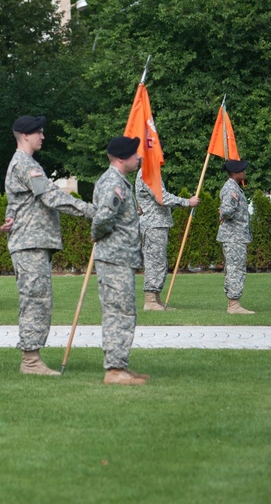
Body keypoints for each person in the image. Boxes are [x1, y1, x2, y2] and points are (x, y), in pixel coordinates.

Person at [0, 116, 94, 376]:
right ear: (25, 135)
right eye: (39, 132)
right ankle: (31, 361)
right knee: (35, 301)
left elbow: (17, 199)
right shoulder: (25, 164)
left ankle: (32, 357)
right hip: (29, 244)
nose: (43, 136)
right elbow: (51, 197)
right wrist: (90, 211)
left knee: (38, 299)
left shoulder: (24, 164)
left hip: (32, 242)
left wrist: (12, 216)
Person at [92, 136, 147, 385]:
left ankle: (120, 365)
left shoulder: (121, 182)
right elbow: (102, 218)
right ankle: (114, 370)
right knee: (118, 312)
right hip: (114, 258)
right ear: (121, 158)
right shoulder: (112, 182)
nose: (139, 158)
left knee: (124, 311)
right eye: (135, 154)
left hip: (120, 258)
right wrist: (97, 235)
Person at [135, 166, 199, 311]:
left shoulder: (151, 172)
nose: (162, 155)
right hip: (153, 225)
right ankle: (150, 301)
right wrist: (187, 202)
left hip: (156, 224)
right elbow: (161, 197)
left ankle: (156, 300)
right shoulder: (148, 171)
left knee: (159, 262)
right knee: (154, 262)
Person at [218, 159, 255, 314]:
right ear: (234, 173)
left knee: (234, 269)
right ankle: (234, 305)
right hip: (233, 237)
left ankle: (233, 303)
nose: (244, 172)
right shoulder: (231, 189)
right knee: (235, 269)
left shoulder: (234, 187)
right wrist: (223, 212)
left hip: (236, 236)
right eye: (242, 170)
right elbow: (226, 210)